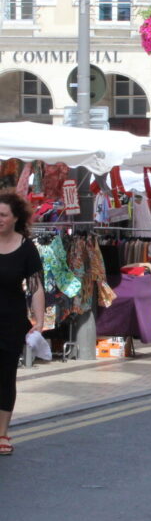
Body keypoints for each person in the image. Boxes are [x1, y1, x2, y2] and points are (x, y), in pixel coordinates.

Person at [0, 191, 45, 456]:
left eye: (3, 215)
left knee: (5, 377)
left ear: (16, 218)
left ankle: (2, 434)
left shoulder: (26, 248)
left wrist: (39, 320)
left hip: (10, 322)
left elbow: (36, 286)